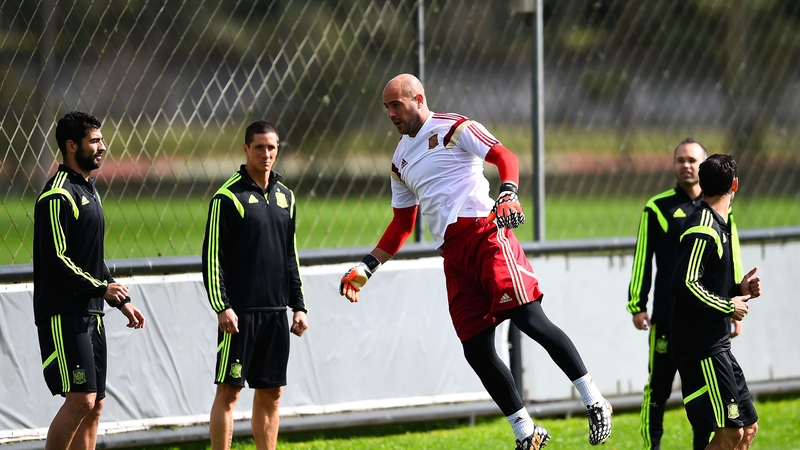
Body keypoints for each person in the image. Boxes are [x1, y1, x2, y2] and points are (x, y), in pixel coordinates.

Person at [337, 74, 612, 449]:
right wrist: (367, 266)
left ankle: (594, 399)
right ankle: (527, 433)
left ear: (418, 99)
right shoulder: (400, 159)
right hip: (454, 255)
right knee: (476, 349)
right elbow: (403, 223)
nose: (390, 113)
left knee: (530, 319)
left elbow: (504, 156)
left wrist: (509, 193)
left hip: (487, 237)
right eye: (386, 107)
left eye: (395, 105)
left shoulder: (454, 127)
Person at [33, 111, 146, 450]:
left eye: (100, 139)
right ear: (71, 146)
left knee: (95, 404)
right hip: (64, 313)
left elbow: (92, 261)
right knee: (81, 399)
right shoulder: (57, 196)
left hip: (91, 311)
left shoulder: (89, 191)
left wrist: (120, 300)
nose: (102, 147)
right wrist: (102, 288)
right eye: (94, 141)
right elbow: (57, 261)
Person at [626, 138, 744, 450]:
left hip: (708, 320)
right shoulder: (658, 207)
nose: (686, 165)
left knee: (711, 395)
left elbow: (730, 257)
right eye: (680, 160)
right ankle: (652, 445)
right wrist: (637, 304)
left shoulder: (720, 208)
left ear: (703, 169)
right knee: (659, 389)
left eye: (692, 160)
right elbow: (643, 258)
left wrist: (736, 297)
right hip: (667, 318)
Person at [202, 120, 309, 450]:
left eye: (272, 147)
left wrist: (299, 306)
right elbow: (211, 257)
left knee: (272, 393)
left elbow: (290, 256)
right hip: (240, 315)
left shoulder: (286, 197)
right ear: (246, 149)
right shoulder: (227, 197)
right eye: (259, 147)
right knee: (229, 392)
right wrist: (222, 306)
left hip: (276, 313)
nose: (266, 153)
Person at [670, 154, 761, 450]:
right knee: (729, 432)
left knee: (747, 429)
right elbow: (685, 283)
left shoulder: (719, 224)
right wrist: (728, 306)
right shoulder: (703, 228)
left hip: (718, 345)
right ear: (735, 184)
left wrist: (739, 288)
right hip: (702, 350)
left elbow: (705, 281)